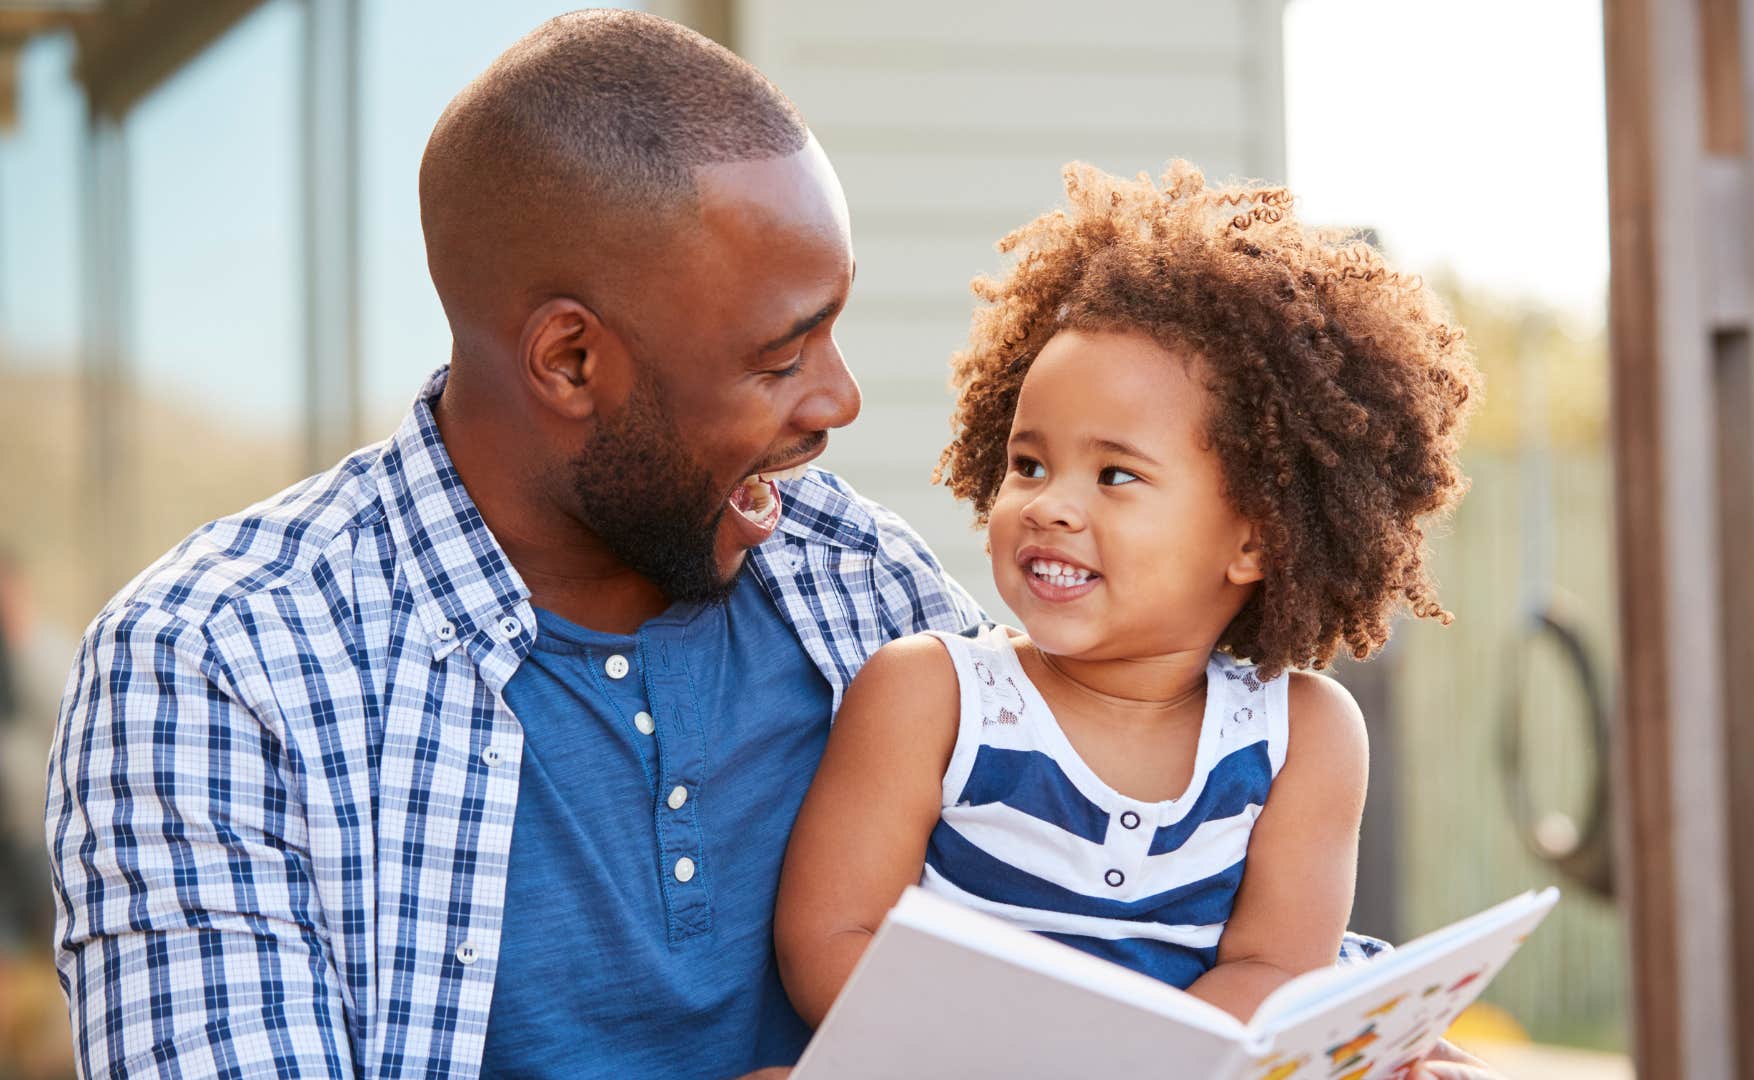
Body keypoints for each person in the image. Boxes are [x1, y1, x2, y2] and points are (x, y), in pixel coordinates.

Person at [44, 11, 1505, 1079]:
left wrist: (1369, 1034)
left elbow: (1119, 906)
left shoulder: (846, 581)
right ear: (571, 361)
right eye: (782, 352)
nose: (843, 402)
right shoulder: (219, 668)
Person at [776, 163, 1478, 1031]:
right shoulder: (933, 696)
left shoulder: (1303, 739)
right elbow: (833, 938)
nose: (1050, 504)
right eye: (1028, 464)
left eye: (1115, 475)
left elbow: (1275, 968)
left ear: (1256, 538)